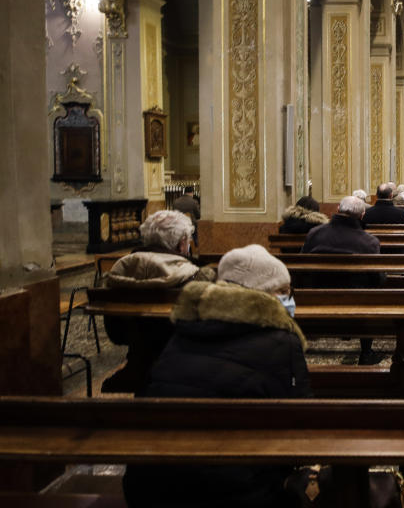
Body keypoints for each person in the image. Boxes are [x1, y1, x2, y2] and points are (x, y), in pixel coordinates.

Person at [123, 244, 310, 508]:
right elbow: (300, 420)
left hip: (151, 489)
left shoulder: (181, 330)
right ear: (264, 294)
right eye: (282, 292)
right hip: (239, 493)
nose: (288, 300)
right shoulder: (282, 342)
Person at [104, 210, 216, 393]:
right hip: (186, 369)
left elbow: (116, 334)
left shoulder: (118, 273)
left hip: (138, 367)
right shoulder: (199, 276)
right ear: (182, 244)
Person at [301, 196, 384, 364]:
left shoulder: (314, 234)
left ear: (337, 209)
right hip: (357, 302)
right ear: (362, 216)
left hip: (317, 297)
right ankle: (366, 352)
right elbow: (378, 278)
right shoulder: (369, 242)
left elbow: (302, 267)